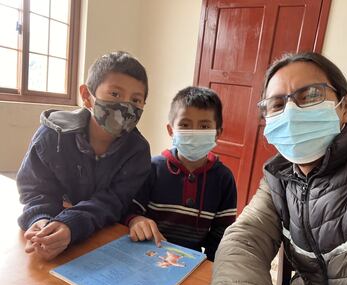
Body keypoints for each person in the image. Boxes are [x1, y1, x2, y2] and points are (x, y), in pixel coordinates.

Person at [207, 52, 347, 285]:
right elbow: (244, 241)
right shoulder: (278, 178)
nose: (291, 112)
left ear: (346, 107)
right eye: (277, 104)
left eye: (310, 95)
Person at [17, 51, 151, 260]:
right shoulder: (52, 135)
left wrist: (71, 224)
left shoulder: (138, 151)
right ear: (87, 96)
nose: (126, 106)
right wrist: (40, 220)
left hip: (101, 244)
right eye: (115, 94)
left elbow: (114, 201)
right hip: (52, 241)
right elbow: (34, 191)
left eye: (136, 100)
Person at [124, 86, 237, 261]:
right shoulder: (152, 168)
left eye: (204, 125)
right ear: (170, 130)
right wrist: (135, 220)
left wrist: (211, 267)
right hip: (147, 253)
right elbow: (130, 211)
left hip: (189, 261)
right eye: (185, 124)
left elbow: (221, 233)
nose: (194, 132)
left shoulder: (224, 178)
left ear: (217, 133)